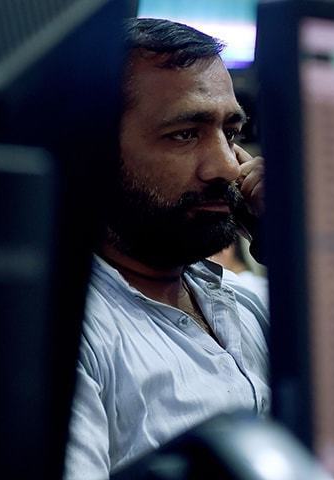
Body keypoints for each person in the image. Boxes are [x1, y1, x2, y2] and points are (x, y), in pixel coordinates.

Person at [64, 18, 269, 479]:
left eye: (230, 134)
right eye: (184, 134)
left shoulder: (248, 303)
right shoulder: (71, 337)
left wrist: (292, 245)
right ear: (92, 151)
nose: (225, 167)